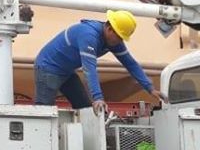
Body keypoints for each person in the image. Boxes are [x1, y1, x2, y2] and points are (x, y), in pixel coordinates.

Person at [34, 10, 164, 115]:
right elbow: (89, 69)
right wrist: (98, 98)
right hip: (48, 68)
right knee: (44, 112)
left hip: (67, 72)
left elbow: (130, 63)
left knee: (85, 108)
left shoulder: (113, 40)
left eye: (122, 38)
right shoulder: (89, 35)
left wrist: (150, 88)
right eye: (119, 37)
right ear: (109, 29)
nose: (120, 41)